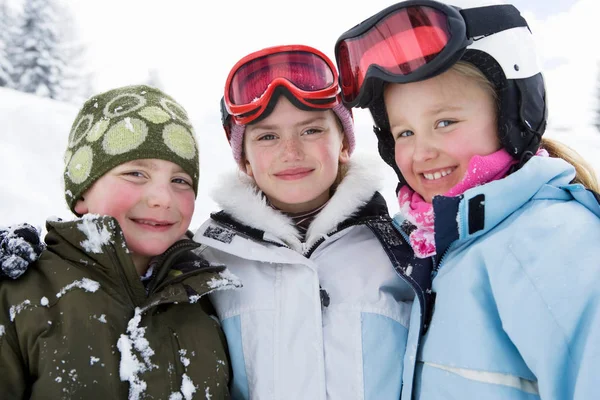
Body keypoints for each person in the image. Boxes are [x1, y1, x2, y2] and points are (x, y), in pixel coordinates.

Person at [334, 1, 600, 399]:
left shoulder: (551, 244)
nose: (421, 152)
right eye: (404, 132)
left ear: (511, 116)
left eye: (445, 122)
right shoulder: (444, 246)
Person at [191, 44, 421, 399]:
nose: (291, 151)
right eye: (267, 136)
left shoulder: (405, 250)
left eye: (311, 130)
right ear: (245, 161)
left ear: (343, 143)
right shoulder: (207, 263)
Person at [0, 85, 240, 399]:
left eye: (180, 180)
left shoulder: (209, 294)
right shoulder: (20, 295)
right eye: (136, 174)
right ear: (83, 191)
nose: (161, 198)